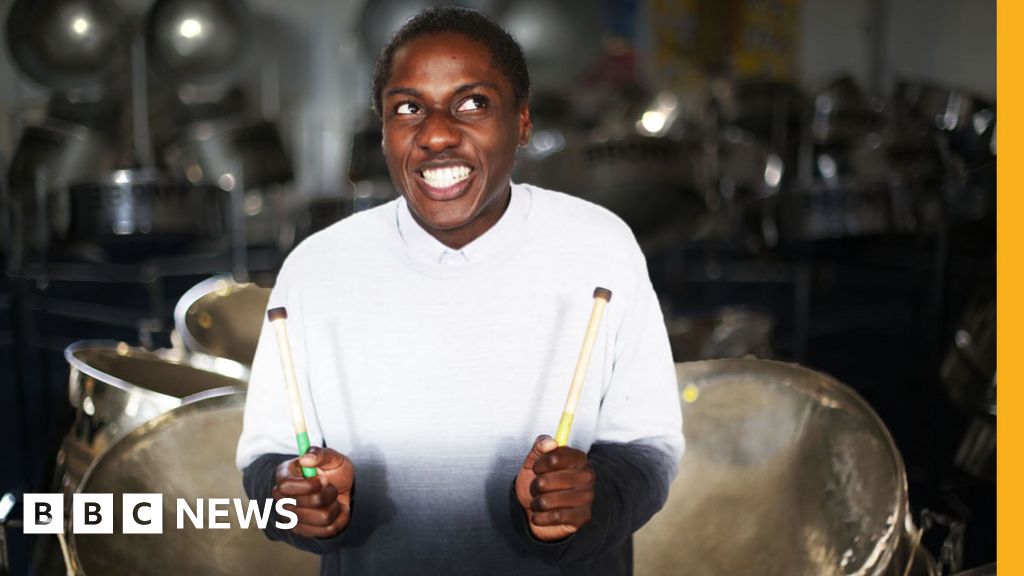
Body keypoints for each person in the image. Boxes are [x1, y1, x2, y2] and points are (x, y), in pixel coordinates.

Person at [236, 7, 683, 575]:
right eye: (408, 108)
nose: (438, 134)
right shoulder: (316, 268)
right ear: (383, 130)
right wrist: (292, 503)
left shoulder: (600, 247)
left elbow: (652, 446)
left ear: (521, 121)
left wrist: (592, 495)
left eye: (473, 103)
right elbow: (264, 459)